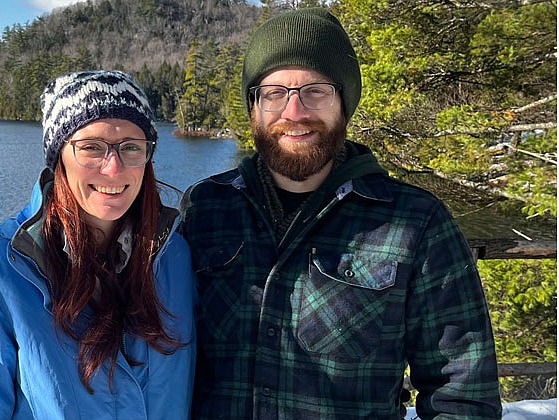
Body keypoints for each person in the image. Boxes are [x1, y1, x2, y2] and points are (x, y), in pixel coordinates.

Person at [180, 8, 502, 419]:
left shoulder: (417, 224)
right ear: (253, 108)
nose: (293, 112)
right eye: (274, 93)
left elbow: (463, 395)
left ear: (344, 104)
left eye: (315, 91)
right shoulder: (205, 208)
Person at [0, 70, 196, 419]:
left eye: (131, 147)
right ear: (59, 157)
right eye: (91, 147)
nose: (113, 167)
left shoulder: (172, 256)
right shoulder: (1, 269)